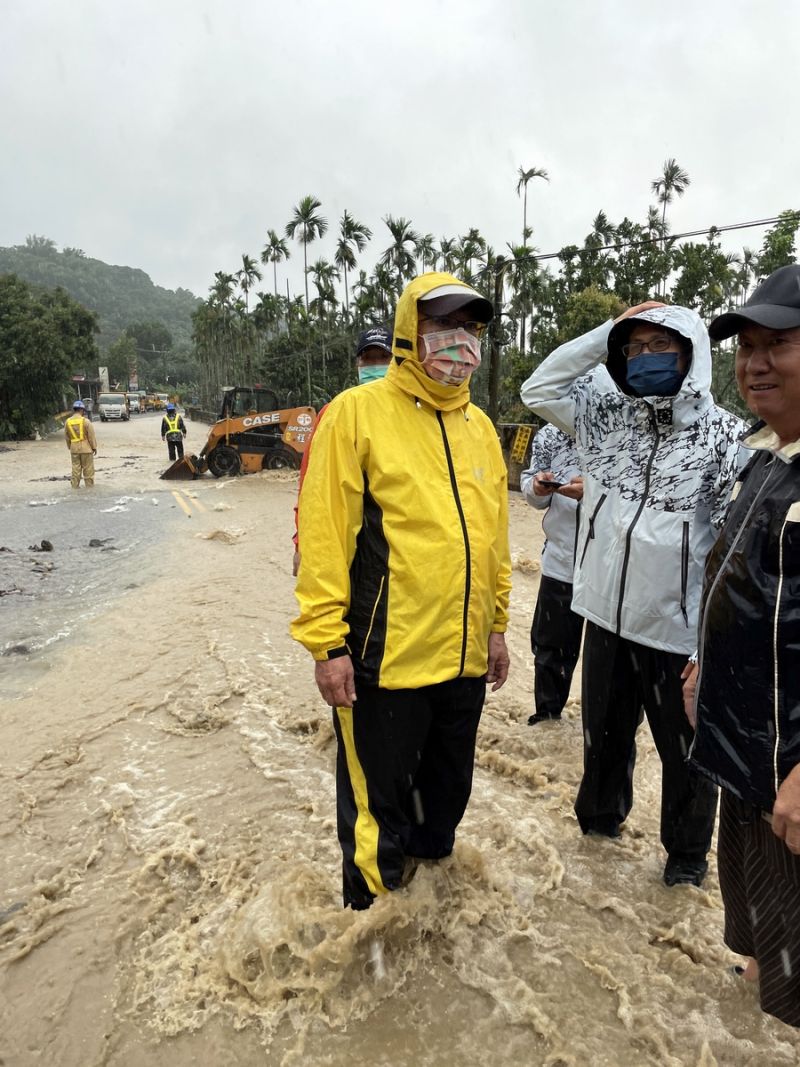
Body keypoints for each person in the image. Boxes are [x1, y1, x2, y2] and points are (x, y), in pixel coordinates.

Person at [291, 272, 511, 909]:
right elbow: (325, 536)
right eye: (442, 325)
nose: (458, 341)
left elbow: (494, 538)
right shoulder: (355, 415)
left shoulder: (482, 429)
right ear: (410, 333)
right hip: (382, 660)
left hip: (464, 662)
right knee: (376, 814)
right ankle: (368, 930)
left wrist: (496, 626)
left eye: (469, 328)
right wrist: (326, 645)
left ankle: (427, 925)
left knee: (443, 804)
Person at [521, 301, 744, 886]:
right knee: (603, 739)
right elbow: (539, 386)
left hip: (678, 634)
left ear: (692, 352)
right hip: (605, 618)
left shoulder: (726, 439)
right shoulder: (603, 419)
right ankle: (596, 831)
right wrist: (608, 330)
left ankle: (686, 863)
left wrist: (708, 645)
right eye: (635, 348)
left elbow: (730, 553)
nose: (646, 358)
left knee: (687, 759)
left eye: (661, 346)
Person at [686, 264, 800, 1024]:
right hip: (746, 766)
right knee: (767, 968)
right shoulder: (767, 454)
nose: (755, 362)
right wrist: (708, 656)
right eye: (746, 345)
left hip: (790, 784)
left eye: (779, 344)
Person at [291, 325, 393, 576]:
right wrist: (301, 543)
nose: (375, 365)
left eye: (383, 358)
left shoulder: (415, 413)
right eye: (368, 359)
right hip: (353, 544)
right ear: (358, 364)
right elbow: (311, 486)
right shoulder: (336, 412)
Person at [520, 423, 584, 725]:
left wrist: (596, 493)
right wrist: (537, 487)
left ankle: (605, 736)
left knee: (615, 665)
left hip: (615, 567)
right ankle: (547, 721)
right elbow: (531, 486)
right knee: (550, 651)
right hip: (561, 561)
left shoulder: (628, 423)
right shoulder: (551, 433)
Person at [64, 399, 97, 489]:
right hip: (86, 449)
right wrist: (94, 447)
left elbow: (67, 437)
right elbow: (91, 436)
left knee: (75, 470)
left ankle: (75, 488)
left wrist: (70, 446)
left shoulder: (68, 422)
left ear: (74, 409)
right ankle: (89, 490)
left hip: (74, 449)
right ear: (82, 410)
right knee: (88, 471)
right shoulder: (86, 421)